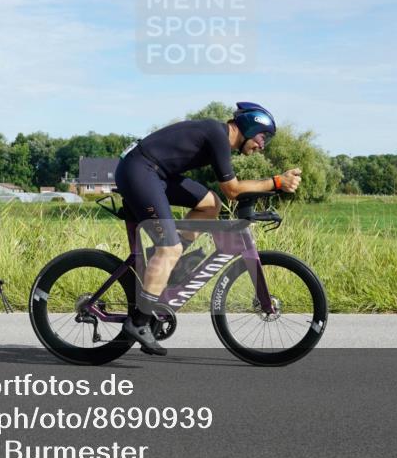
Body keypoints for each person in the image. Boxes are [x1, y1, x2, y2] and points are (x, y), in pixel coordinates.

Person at [115, 102, 301, 355]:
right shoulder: (218, 135)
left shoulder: (218, 137)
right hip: (140, 170)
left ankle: (169, 265)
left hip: (156, 173)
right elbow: (233, 190)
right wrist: (277, 181)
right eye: (261, 137)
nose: (262, 145)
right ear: (249, 127)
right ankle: (138, 322)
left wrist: (273, 185)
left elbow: (226, 196)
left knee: (210, 204)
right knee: (169, 248)